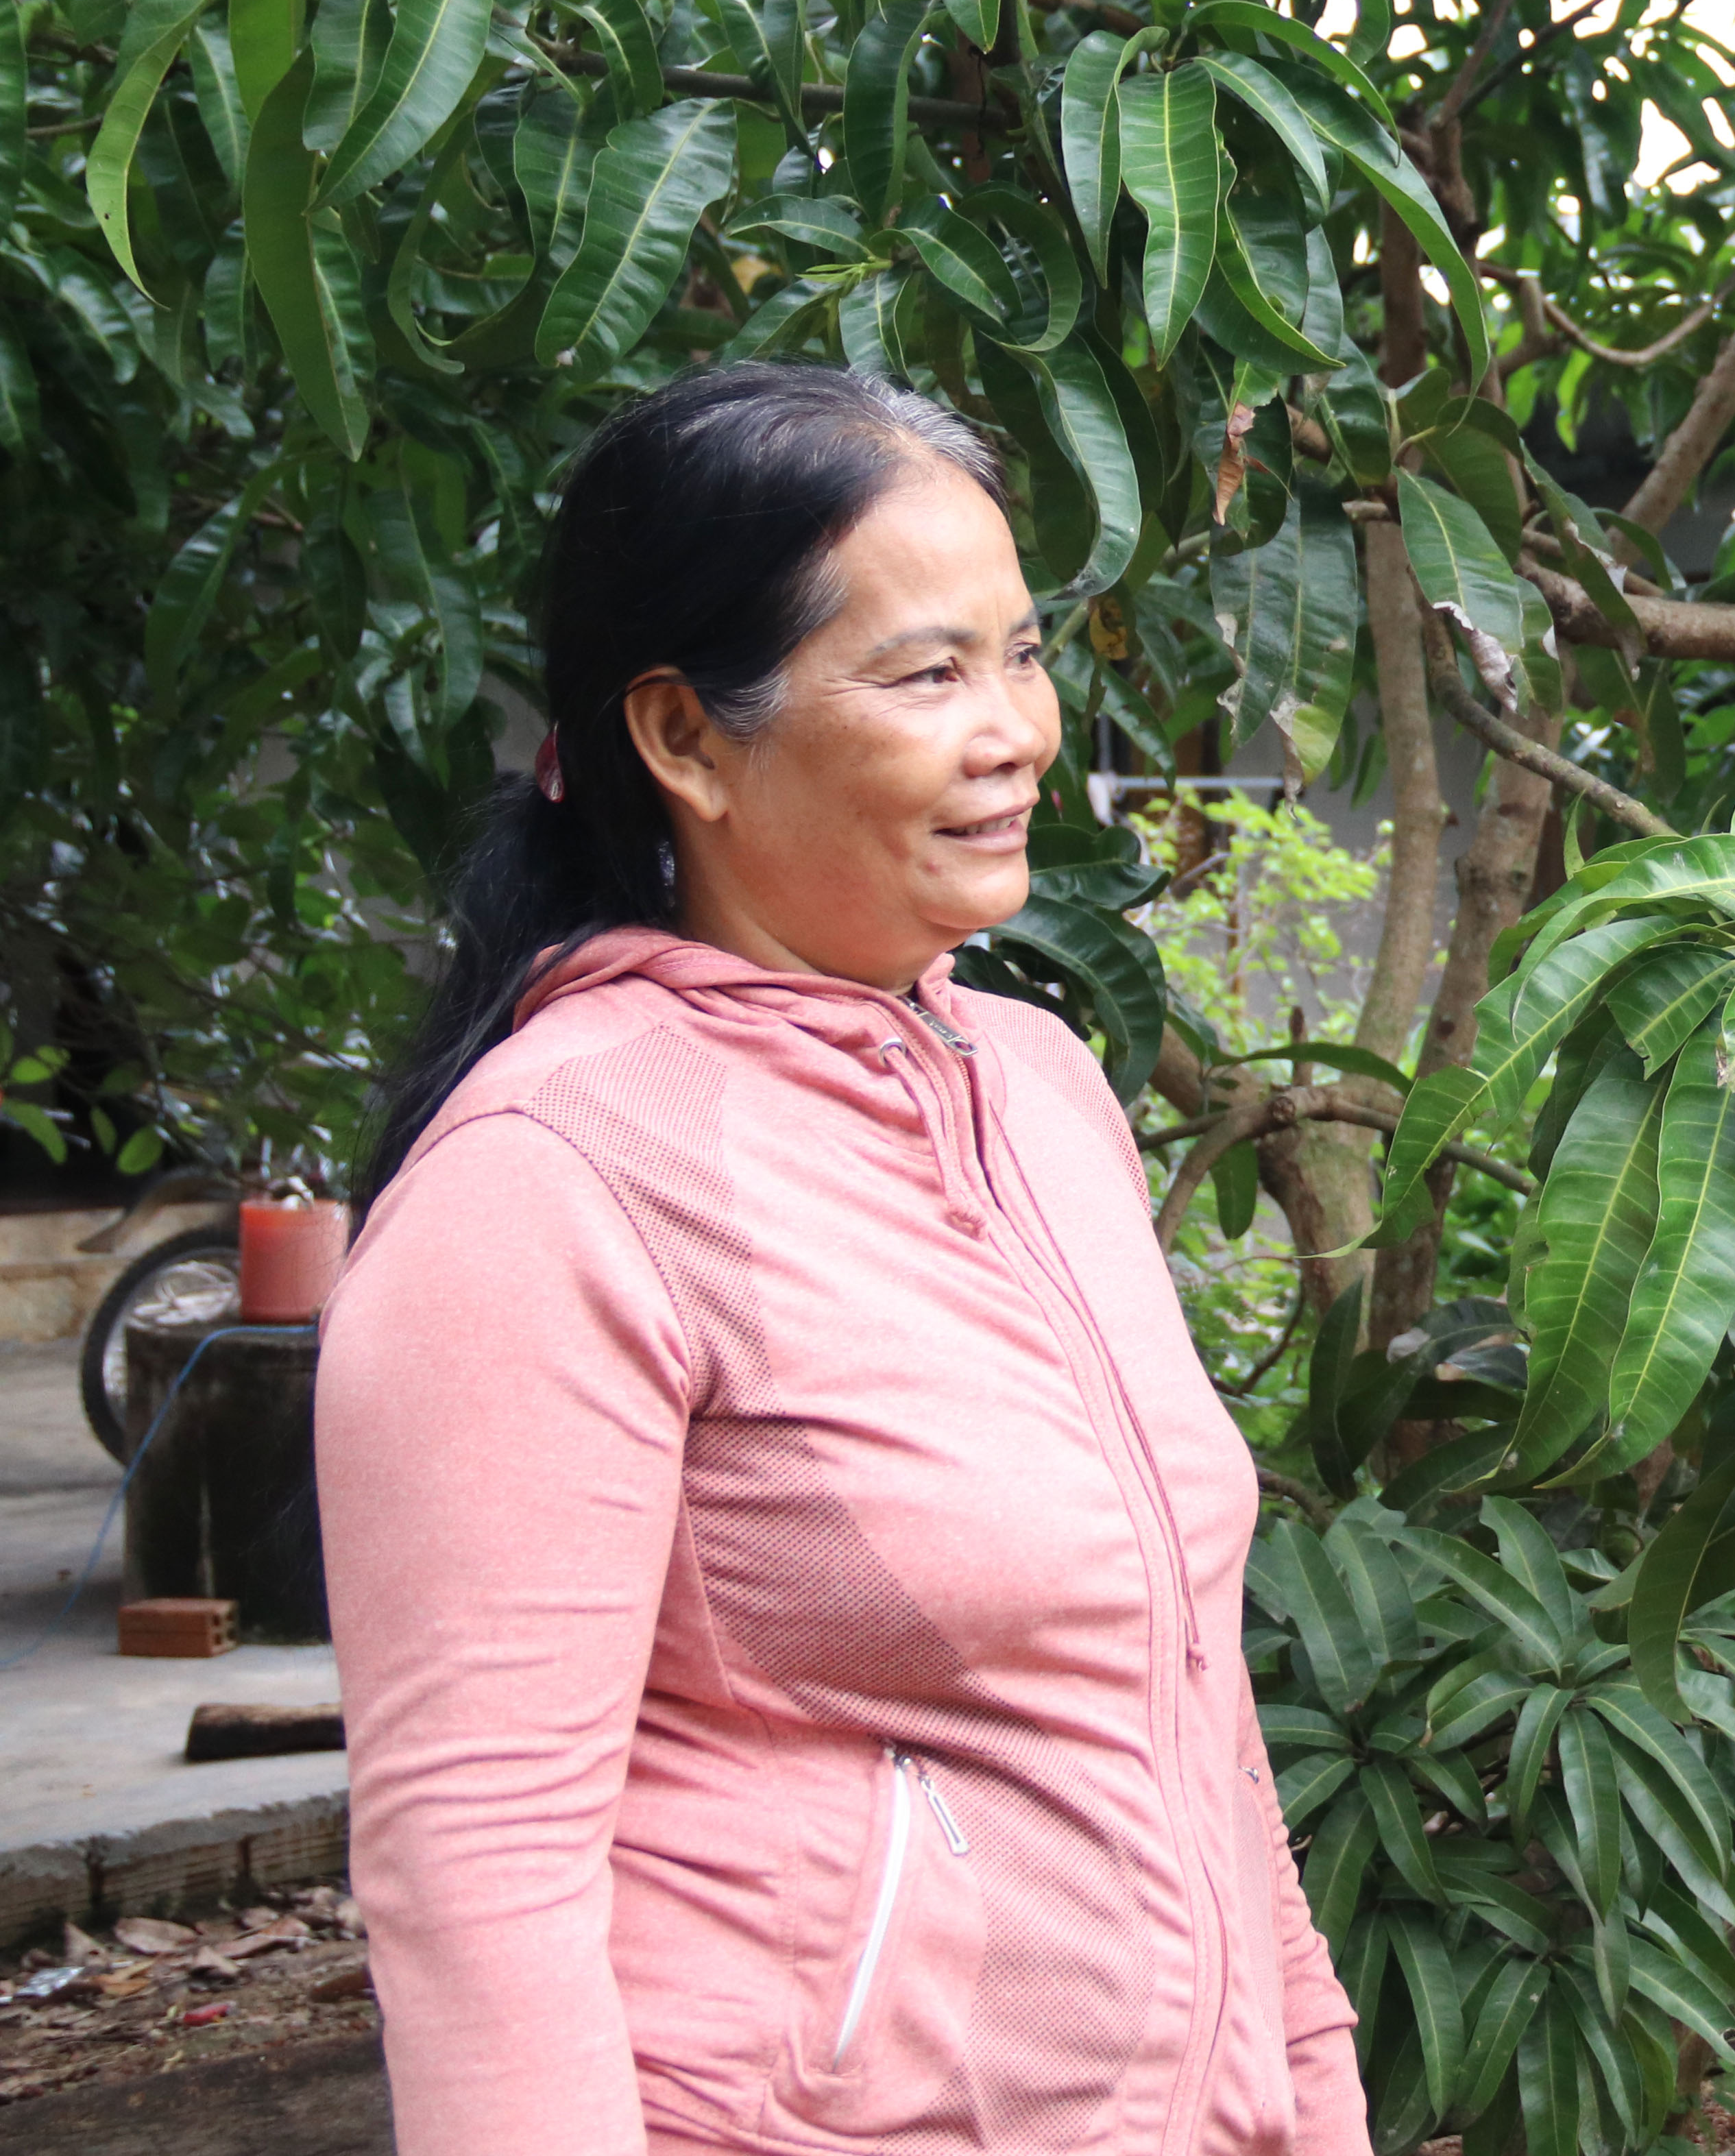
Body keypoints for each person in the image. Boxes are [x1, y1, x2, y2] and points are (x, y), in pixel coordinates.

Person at [320, 366, 1368, 2156]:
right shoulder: (548, 1182)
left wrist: (1314, 2093)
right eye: (928, 673)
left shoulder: (1038, 1088)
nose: (1020, 730)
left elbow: (1188, 1698)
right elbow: (479, 1873)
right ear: (685, 738)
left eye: (1024, 655)